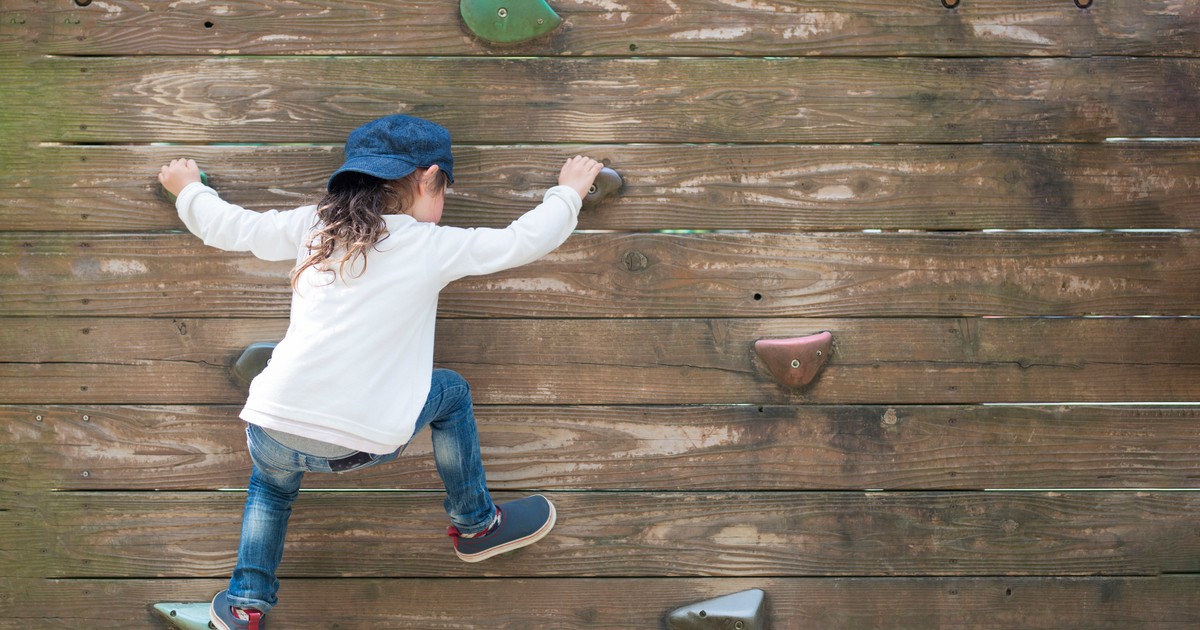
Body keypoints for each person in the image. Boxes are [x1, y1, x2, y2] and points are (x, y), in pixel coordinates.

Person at [158, 114, 603, 630]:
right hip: (362, 438)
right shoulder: (430, 245)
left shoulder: (314, 226)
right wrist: (568, 192)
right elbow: (521, 240)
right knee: (451, 392)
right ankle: (477, 525)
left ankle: (244, 607)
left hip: (274, 423)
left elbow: (228, 227)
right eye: (445, 191)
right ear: (428, 177)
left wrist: (187, 188)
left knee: (271, 489)